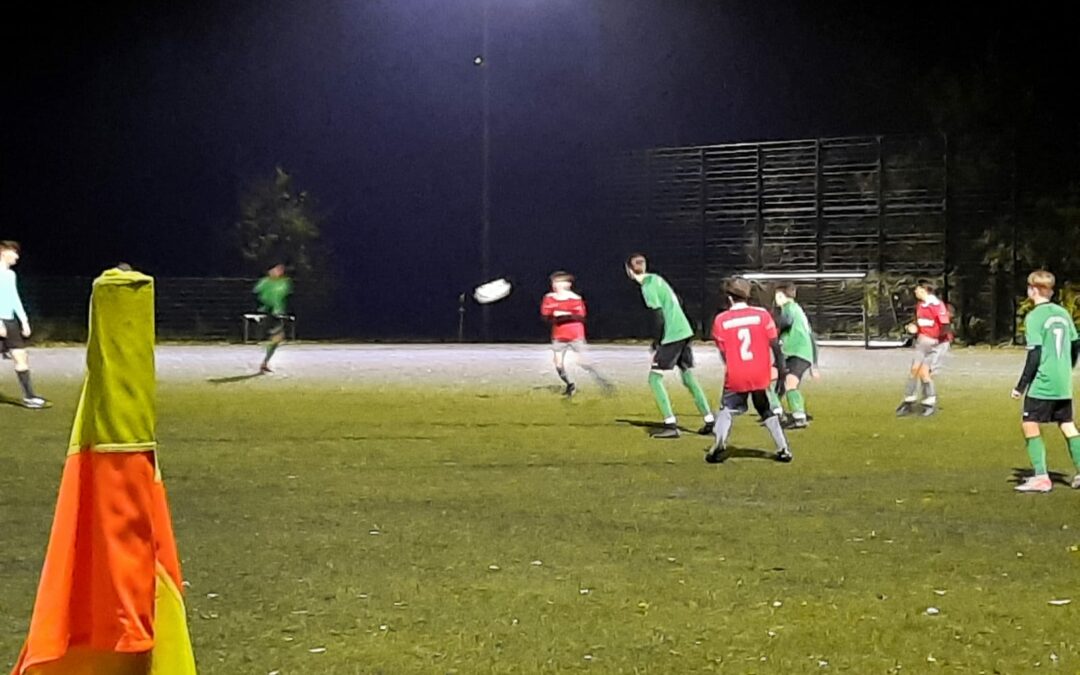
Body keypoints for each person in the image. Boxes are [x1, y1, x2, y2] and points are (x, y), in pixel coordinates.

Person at [625, 253, 714, 439]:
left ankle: (670, 424)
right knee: (687, 375)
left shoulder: (648, 287)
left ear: (629, 271)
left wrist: (658, 341)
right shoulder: (657, 279)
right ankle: (709, 420)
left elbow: (658, 316)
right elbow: (678, 301)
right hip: (684, 331)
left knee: (654, 379)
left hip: (672, 335)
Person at [706, 277, 792, 463]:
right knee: (765, 408)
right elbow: (776, 346)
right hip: (761, 372)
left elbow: (724, 353)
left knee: (726, 408)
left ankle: (719, 442)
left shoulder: (721, 320)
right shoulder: (762, 315)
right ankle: (783, 447)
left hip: (737, 372)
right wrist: (782, 374)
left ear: (729, 298)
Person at [1011, 270, 1080, 493]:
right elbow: (1075, 344)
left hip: (1044, 381)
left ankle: (1041, 477)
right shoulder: (1062, 313)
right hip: (1063, 382)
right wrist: (1067, 367)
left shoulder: (1034, 317)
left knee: (1029, 423)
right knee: (1067, 425)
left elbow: (1035, 355)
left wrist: (1021, 386)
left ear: (1033, 290)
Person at [539, 271, 613, 397]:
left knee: (583, 362)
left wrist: (562, 315)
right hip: (558, 336)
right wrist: (556, 317)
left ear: (568, 284)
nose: (556, 285)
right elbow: (545, 316)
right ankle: (570, 384)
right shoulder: (549, 298)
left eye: (559, 283)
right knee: (558, 364)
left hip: (575, 335)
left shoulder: (575, 298)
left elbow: (580, 317)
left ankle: (603, 382)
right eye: (554, 283)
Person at [0, 240, 48, 408]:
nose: (17, 256)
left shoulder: (11, 275)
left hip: (10, 321)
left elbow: (14, 298)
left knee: (21, 356)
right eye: (14, 252)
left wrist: (24, 320)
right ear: (3, 252)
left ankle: (30, 396)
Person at [895, 279, 952, 417]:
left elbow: (945, 324)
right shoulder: (921, 305)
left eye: (918, 289)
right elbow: (921, 322)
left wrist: (937, 341)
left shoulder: (937, 305)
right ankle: (909, 401)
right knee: (914, 370)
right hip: (922, 342)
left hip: (935, 344)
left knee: (924, 373)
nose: (915, 292)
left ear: (924, 290)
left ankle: (929, 403)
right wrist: (914, 327)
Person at [773, 282, 819, 428]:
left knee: (790, 384)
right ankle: (777, 411)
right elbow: (811, 337)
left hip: (796, 353)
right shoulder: (799, 311)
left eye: (777, 296)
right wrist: (814, 363)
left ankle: (798, 417)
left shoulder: (789, 308)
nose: (775, 300)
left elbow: (786, 321)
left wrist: (774, 327)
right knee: (769, 378)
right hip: (796, 354)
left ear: (782, 296)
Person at [253, 263, 292, 373]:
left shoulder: (284, 282)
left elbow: (283, 294)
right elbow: (258, 293)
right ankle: (265, 360)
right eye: (276, 269)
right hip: (269, 313)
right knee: (277, 337)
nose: (278, 271)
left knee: (277, 339)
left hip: (276, 313)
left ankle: (265, 362)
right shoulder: (265, 282)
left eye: (280, 270)